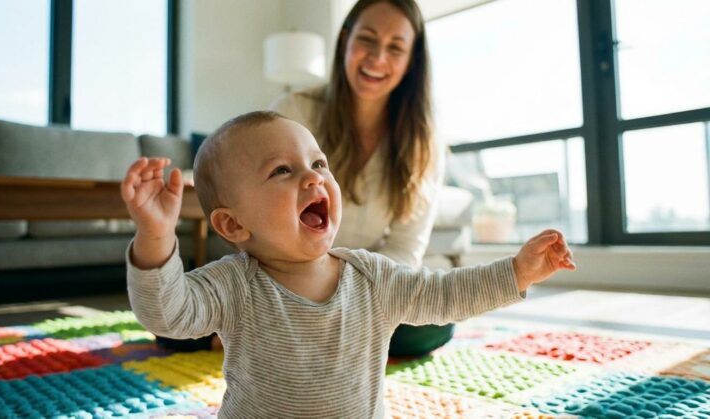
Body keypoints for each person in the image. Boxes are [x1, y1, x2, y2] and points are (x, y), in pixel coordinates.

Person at [122, 111, 576, 418]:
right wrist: (156, 235)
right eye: (282, 170)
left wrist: (515, 272)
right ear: (233, 224)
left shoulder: (370, 276)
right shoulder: (233, 286)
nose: (314, 176)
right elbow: (167, 313)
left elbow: (442, 296)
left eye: (318, 163)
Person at [270, 0, 450, 356]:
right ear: (345, 40)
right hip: (289, 280)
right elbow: (267, 220)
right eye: (367, 39)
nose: (377, 58)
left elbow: (405, 247)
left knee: (433, 325)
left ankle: (307, 340)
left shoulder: (424, 143)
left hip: (369, 290)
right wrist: (314, 285)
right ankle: (315, 338)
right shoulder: (294, 111)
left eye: (395, 47)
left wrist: (350, 293)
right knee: (179, 324)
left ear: (411, 60)